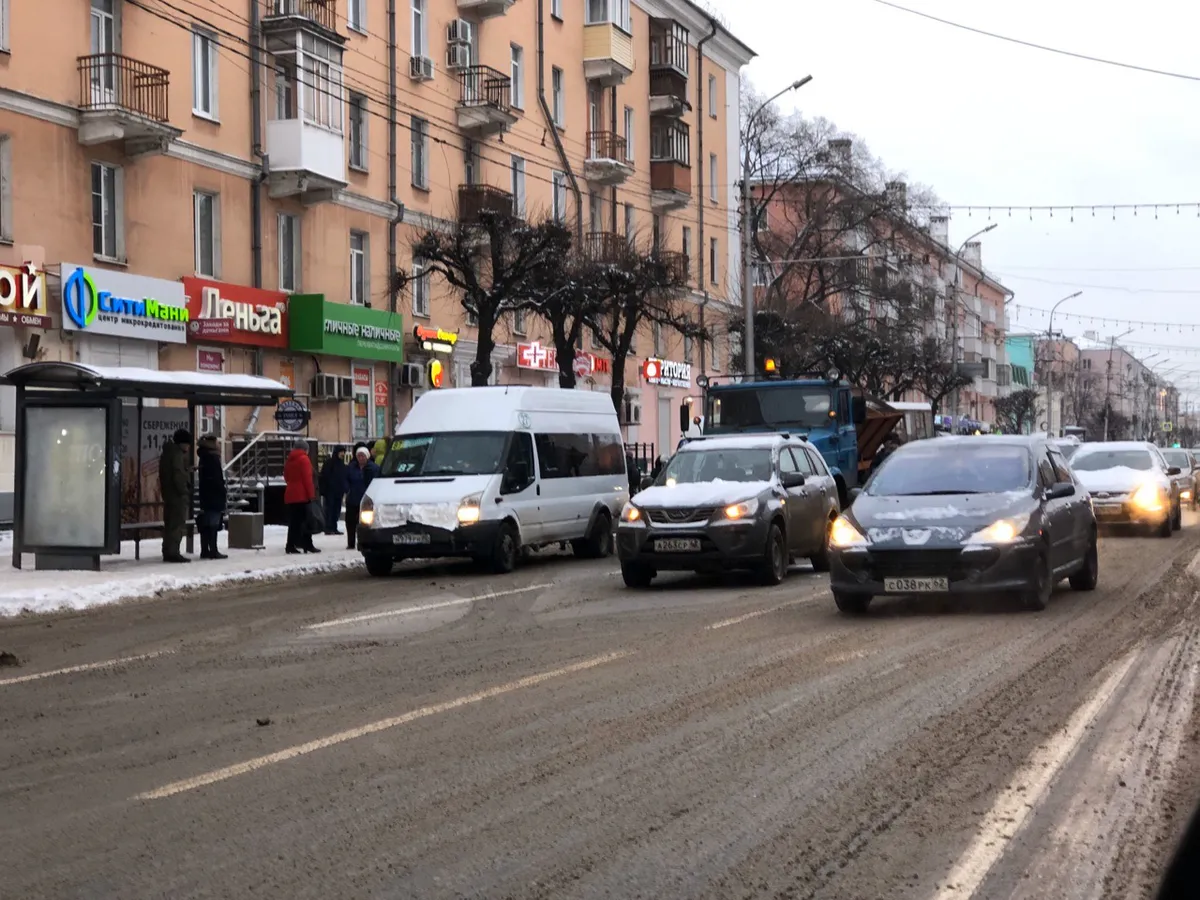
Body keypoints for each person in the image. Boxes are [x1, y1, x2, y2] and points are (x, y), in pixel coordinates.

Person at [158, 428, 192, 563]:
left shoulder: (167, 454)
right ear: (182, 443)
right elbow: (178, 475)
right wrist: (185, 490)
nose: (188, 447)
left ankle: (167, 550)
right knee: (177, 525)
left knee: (169, 524)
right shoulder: (176, 455)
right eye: (187, 444)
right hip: (177, 496)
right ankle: (173, 552)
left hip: (168, 494)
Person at [283, 442, 320, 554]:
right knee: (306, 521)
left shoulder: (290, 459)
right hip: (302, 495)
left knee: (294, 522)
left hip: (290, 493)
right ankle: (307, 544)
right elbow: (307, 479)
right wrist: (311, 495)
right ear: (305, 449)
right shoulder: (304, 459)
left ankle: (290, 545)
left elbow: (286, 476)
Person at [196, 434, 228, 560]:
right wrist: (222, 491)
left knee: (207, 521)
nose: (219, 445)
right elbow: (216, 478)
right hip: (214, 494)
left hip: (206, 493)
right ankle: (213, 550)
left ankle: (205, 549)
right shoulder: (212, 458)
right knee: (213, 522)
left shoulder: (204, 456)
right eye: (217, 442)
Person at [345, 446, 380, 550]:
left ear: (367, 456)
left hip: (367, 499)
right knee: (350, 522)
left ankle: (365, 542)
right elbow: (345, 479)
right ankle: (351, 542)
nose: (360, 458)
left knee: (366, 522)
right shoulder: (351, 467)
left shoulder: (373, 468)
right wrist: (347, 489)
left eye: (363, 456)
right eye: (359, 456)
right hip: (353, 498)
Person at [318, 445, 348, 535]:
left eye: (343, 452)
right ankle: (328, 527)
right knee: (329, 510)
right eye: (341, 452)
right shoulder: (329, 463)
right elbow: (324, 477)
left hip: (339, 491)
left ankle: (334, 527)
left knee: (336, 510)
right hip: (330, 491)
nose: (342, 454)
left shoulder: (342, 464)